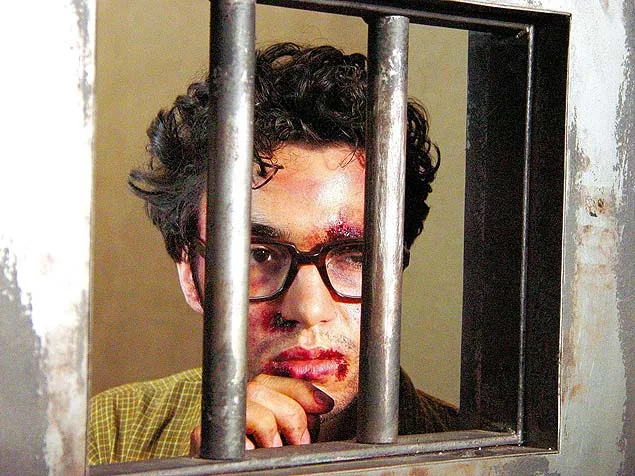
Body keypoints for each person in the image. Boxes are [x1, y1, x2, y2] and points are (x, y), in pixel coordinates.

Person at [88, 42, 458, 465]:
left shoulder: (485, 458)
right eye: (259, 254)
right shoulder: (111, 436)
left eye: (352, 255)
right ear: (190, 274)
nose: (308, 309)